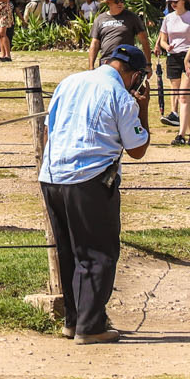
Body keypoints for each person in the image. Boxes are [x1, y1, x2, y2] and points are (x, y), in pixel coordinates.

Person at [40, 43, 151, 344]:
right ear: (136, 75)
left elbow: (48, 128)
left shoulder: (69, 82)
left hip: (52, 177)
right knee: (99, 253)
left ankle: (73, 320)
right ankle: (91, 326)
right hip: (89, 178)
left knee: (69, 252)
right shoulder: (120, 96)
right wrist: (143, 109)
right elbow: (137, 148)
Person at [156, 0, 190, 144]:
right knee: (181, 97)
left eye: (175, 1)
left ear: (183, 0)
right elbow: (163, 39)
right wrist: (165, 46)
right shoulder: (168, 18)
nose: (173, 4)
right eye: (171, 2)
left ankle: (181, 135)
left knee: (183, 96)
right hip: (173, 57)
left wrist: (186, 59)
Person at [89, 0, 147, 68]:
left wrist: (148, 64)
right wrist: (91, 66)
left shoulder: (132, 17)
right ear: (108, 3)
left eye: (122, 1)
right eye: (116, 1)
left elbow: (144, 40)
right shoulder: (100, 19)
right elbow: (95, 43)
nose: (120, 3)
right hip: (106, 62)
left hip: (126, 61)